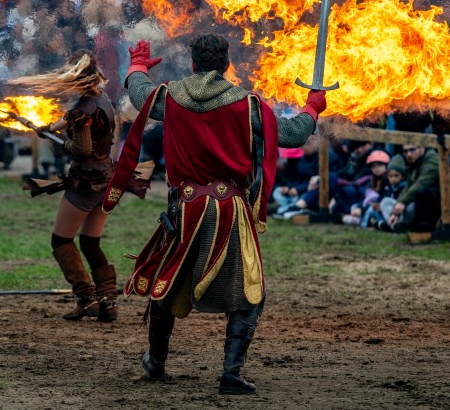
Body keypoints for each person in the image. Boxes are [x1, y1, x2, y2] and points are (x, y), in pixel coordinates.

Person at [105, 35, 325, 395]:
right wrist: (312, 107)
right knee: (249, 291)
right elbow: (291, 134)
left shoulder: (171, 95)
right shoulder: (247, 103)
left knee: (168, 282)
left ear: (193, 63)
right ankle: (230, 374)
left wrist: (138, 65)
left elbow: (140, 94)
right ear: (227, 65)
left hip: (185, 207)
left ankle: (156, 362)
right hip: (229, 210)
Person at [8, 50, 120, 322]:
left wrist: (63, 142)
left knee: (60, 240)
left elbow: (81, 148)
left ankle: (87, 298)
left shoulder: (83, 108)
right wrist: (50, 128)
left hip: (86, 183)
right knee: (90, 242)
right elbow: (73, 118)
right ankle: (107, 301)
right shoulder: (101, 98)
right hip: (107, 179)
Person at [388, 145, 441, 233]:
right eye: (405, 151)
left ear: (422, 148)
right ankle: (394, 224)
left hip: (431, 205)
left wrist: (402, 202)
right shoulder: (414, 162)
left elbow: (420, 185)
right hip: (414, 200)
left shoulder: (432, 161)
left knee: (415, 201)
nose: (408, 154)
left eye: (412, 150)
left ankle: (397, 225)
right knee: (386, 202)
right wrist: (395, 210)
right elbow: (407, 188)